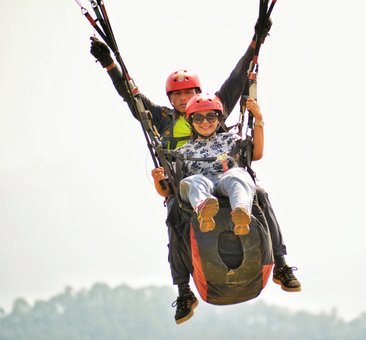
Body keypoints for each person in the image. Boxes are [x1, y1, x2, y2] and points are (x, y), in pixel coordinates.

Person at [90, 22, 300, 325]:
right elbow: (131, 97)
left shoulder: (213, 110)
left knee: (261, 195)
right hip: (190, 188)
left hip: (227, 181)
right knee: (174, 214)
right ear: (170, 98)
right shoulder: (162, 120)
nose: (184, 98)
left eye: (189, 92)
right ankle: (185, 290)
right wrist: (109, 63)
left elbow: (237, 78)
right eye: (177, 95)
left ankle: (280, 263)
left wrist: (257, 39)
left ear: (200, 95)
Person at [152, 94, 263, 236]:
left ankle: (240, 211)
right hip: (202, 186)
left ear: (218, 119)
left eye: (210, 117)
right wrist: (158, 179)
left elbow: (257, 153)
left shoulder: (231, 139)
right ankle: (204, 210)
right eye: (198, 118)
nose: (205, 122)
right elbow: (167, 191)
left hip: (226, 182)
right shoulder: (182, 151)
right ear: (191, 121)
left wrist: (258, 119)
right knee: (191, 181)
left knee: (238, 175)